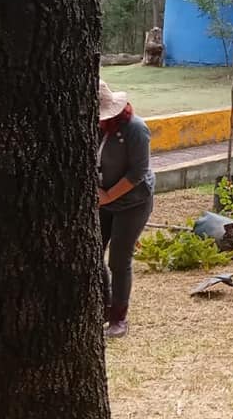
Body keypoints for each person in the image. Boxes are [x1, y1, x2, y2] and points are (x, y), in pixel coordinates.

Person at [97, 79, 155, 338]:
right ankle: (102, 305)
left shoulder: (136, 129)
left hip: (133, 202)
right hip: (101, 201)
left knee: (119, 260)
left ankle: (118, 317)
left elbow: (138, 173)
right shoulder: (96, 128)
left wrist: (108, 195)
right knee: (91, 251)